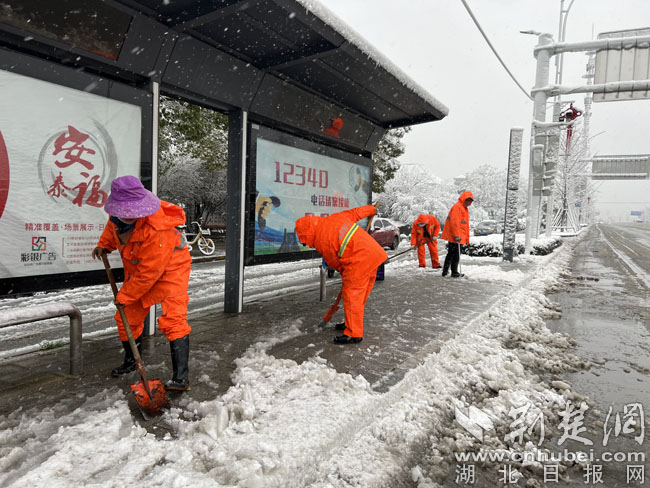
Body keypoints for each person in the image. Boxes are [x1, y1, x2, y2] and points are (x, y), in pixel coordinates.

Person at [91, 175, 192, 391]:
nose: (130, 215)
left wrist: (124, 296)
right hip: (140, 272)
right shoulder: (116, 217)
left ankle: (180, 378)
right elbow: (112, 231)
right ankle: (131, 362)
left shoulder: (158, 229)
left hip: (171, 270)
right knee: (126, 316)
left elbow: (150, 273)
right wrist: (104, 246)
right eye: (125, 211)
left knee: (173, 319)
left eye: (133, 211)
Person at [295, 205, 387, 344]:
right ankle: (351, 322)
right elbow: (355, 213)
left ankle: (354, 333)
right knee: (359, 297)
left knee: (352, 295)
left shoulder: (321, 239)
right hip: (374, 254)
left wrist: (346, 277)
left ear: (307, 234)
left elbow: (335, 263)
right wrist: (371, 209)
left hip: (358, 260)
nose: (307, 245)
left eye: (304, 241)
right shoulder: (335, 218)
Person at [440, 191, 474, 278]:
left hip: (457, 235)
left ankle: (446, 271)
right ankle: (453, 272)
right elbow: (454, 223)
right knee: (454, 254)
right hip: (455, 236)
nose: (468, 203)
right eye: (467, 200)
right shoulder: (458, 207)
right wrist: (457, 235)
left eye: (470, 201)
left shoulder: (463, 208)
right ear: (464, 199)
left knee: (451, 253)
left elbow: (462, 224)